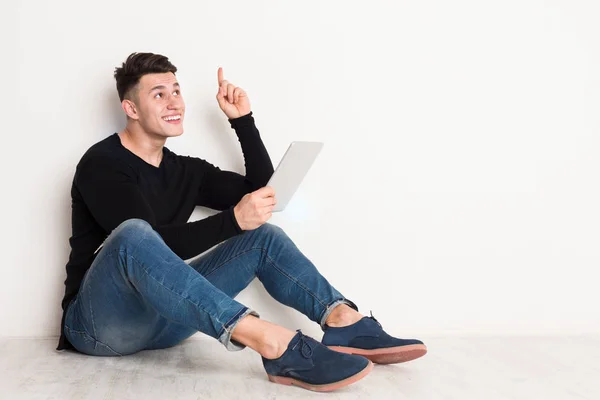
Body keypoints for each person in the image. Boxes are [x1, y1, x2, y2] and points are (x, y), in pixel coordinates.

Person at [57, 52, 427, 392]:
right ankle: (270, 341)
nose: (174, 103)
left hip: (167, 322)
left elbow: (263, 193)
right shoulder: (103, 164)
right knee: (134, 234)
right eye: (158, 94)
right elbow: (154, 244)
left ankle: (344, 321)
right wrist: (233, 220)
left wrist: (243, 122)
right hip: (98, 326)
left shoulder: (185, 170)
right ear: (131, 108)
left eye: (176, 91)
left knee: (262, 236)